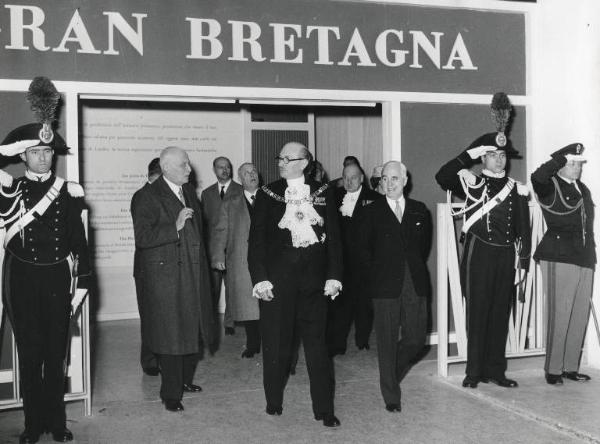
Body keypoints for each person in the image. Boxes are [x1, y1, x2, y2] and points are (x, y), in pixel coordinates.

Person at [0, 76, 90, 443]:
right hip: (21, 280)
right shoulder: (11, 188)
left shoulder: (69, 192)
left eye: (48, 151)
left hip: (56, 280)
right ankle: (32, 424)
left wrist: (82, 281)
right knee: (30, 354)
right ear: (23, 155)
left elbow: (78, 241)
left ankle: (57, 422)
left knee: (56, 356)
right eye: (35, 152)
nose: (43, 157)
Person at [435, 92, 531, 389]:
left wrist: (523, 262)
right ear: (484, 157)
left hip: (505, 255)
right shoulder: (472, 181)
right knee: (477, 311)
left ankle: (495, 370)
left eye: (503, 156)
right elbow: (442, 175)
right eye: (493, 155)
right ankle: (474, 371)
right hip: (479, 253)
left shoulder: (516, 189)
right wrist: (468, 156)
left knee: (500, 312)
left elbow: (522, 228)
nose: (500, 160)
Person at [248, 141, 343, 427]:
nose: (280, 162)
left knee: (317, 348)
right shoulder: (268, 194)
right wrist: (260, 278)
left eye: (287, 158)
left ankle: (324, 409)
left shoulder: (324, 192)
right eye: (280, 158)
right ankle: (273, 401)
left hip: (314, 285)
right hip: (277, 284)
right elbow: (257, 242)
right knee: (276, 346)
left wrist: (334, 275)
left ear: (304, 162)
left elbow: (336, 241)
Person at [131, 146, 215, 412]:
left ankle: (184, 381)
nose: (190, 170)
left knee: (192, 330)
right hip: (166, 278)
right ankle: (170, 393)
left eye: (188, 164)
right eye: (184, 165)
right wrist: (174, 227)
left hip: (192, 273)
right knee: (171, 336)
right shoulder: (145, 196)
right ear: (166, 168)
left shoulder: (189, 192)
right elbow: (143, 238)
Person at [357, 161, 430, 412]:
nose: (389, 184)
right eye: (385, 179)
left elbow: (423, 247)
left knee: (417, 338)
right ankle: (390, 395)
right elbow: (363, 252)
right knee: (386, 340)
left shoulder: (420, 210)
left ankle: (389, 372)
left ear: (405, 180)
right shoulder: (370, 211)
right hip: (384, 285)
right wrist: (375, 279)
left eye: (394, 179)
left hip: (414, 282)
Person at [531, 143, 595, 385]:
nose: (577, 167)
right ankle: (553, 369)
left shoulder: (583, 189)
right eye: (571, 163)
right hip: (558, 255)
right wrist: (559, 157)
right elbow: (537, 176)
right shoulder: (549, 186)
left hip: (584, 255)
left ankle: (570, 367)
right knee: (560, 313)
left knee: (579, 314)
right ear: (560, 167)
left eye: (579, 163)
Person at [327, 162, 381, 356]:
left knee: (363, 304)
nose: (349, 181)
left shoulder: (374, 199)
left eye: (353, 178)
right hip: (340, 263)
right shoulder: (334, 197)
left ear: (361, 179)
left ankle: (362, 339)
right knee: (339, 305)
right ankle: (337, 344)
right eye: (345, 177)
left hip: (364, 263)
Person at [211, 163, 261, 358]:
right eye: (247, 173)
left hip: (268, 260)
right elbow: (220, 230)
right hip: (241, 259)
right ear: (240, 179)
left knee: (269, 305)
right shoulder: (230, 202)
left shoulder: (271, 198)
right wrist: (217, 256)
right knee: (248, 305)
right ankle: (253, 343)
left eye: (254, 171)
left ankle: (269, 343)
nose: (252, 175)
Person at [200, 156, 243, 335]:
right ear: (214, 170)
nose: (224, 170)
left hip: (234, 248)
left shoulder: (240, 190)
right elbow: (204, 223)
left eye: (227, 167)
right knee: (212, 288)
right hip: (213, 250)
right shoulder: (207, 193)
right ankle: (210, 324)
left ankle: (229, 323)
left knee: (232, 288)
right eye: (220, 167)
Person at [131, 158, 162, 376]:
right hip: (147, 269)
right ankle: (149, 360)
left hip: (164, 268)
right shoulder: (142, 197)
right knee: (150, 316)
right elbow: (143, 237)